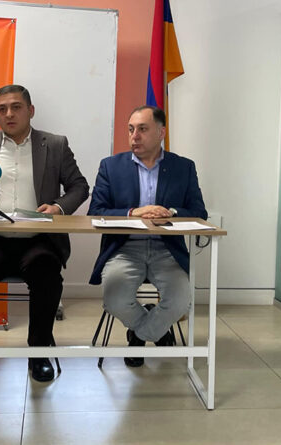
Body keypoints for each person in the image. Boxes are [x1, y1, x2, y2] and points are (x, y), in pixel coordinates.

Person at [0, 85, 89, 383]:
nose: (9, 114)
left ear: (31, 111)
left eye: (16, 107)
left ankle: (38, 354)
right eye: (1, 109)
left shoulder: (54, 144)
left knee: (47, 273)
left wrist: (58, 207)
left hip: (37, 239)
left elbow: (79, 186)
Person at [88, 105, 207, 367]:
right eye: (131, 129)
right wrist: (133, 212)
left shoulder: (183, 167)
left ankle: (138, 336)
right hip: (125, 249)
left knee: (180, 302)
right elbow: (95, 212)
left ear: (161, 132)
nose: (134, 136)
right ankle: (157, 331)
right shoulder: (111, 166)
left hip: (167, 250)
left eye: (142, 129)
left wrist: (171, 212)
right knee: (115, 300)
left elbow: (199, 212)